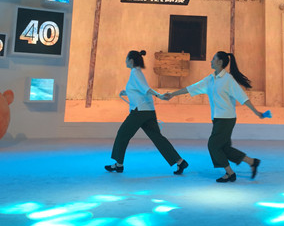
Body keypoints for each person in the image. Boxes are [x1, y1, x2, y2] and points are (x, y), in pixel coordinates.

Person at [162, 51, 263, 183]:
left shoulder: (228, 80)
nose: (211, 61)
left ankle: (230, 173)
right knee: (224, 148)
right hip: (216, 119)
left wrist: (256, 112)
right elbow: (192, 88)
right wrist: (172, 94)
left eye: (213, 59)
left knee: (213, 145)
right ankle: (252, 162)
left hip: (227, 119)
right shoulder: (210, 79)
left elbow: (243, 97)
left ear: (220, 62)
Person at [105, 50, 188, 175]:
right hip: (148, 111)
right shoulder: (137, 73)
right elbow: (139, 90)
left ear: (131, 60)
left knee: (122, 134)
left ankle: (119, 165)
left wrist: (159, 96)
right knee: (157, 138)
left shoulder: (135, 73)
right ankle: (180, 162)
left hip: (140, 111)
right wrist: (127, 92)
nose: (125, 61)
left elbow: (145, 89)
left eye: (126, 58)